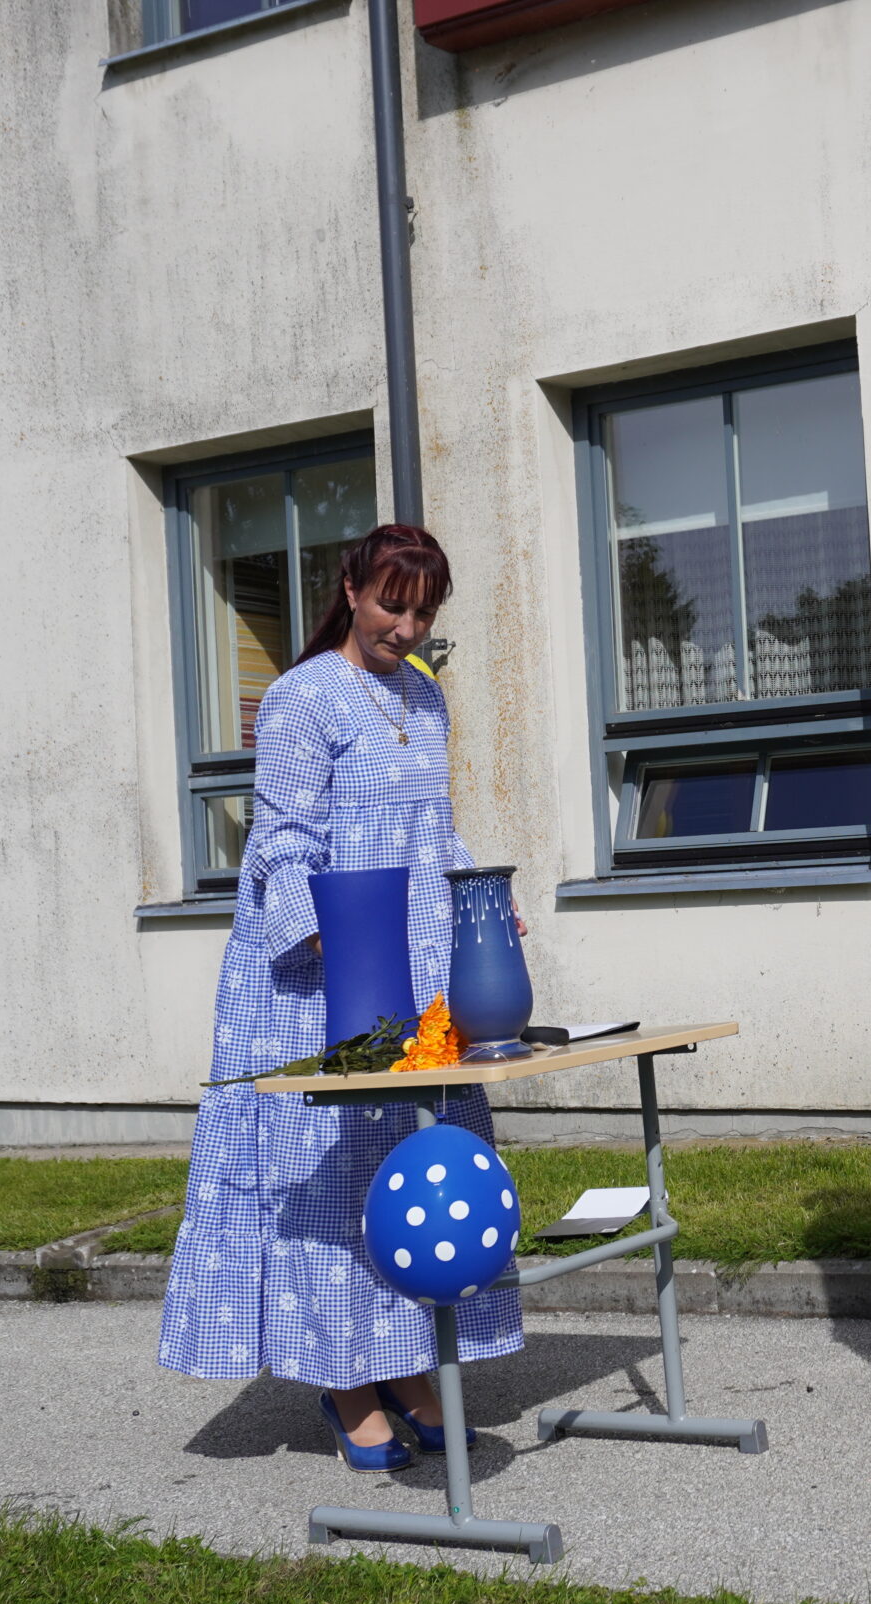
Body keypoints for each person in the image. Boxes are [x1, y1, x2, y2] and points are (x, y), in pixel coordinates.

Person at [157, 523, 523, 1472]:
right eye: (392, 605)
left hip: (415, 972)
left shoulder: (425, 697)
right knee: (330, 1177)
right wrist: (334, 940)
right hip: (318, 977)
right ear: (352, 589)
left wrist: (480, 902)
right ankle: (344, 1383)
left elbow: (434, 828)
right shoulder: (301, 697)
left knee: (408, 1168)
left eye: (424, 612)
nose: (407, 626)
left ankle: (403, 1365)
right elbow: (279, 839)